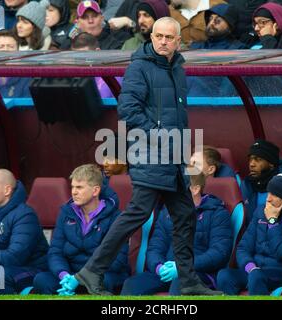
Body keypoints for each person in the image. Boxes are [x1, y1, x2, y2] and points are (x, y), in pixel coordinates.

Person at [75, 17, 222, 296]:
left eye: (169, 37)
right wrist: (157, 134)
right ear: (151, 38)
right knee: (138, 213)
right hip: (150, 153)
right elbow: (128, 109)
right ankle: (93, 270)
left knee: (184, 213)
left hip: (173, 155)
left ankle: (188, 281)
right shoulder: (140, 67)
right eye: (158, 36)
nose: (163, 41)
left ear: (179, 41)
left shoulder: (177, 68)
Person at [121, 173, 232, 295]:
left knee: (181, 284)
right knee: (132, 284)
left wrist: (183, 267)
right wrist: (159, 267)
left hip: (199, 273)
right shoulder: (166, 212)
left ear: (195, 189)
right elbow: (155, 248)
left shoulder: (217, 213)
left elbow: (219, 253)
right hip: (168, 270)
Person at [33, 164, 129, 295]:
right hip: (70, 274)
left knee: (104, 281)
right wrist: (64, 275)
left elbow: (118, 260)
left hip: (101, 274)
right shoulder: (66, 213)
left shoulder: (116, 217)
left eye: (79, 187)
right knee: (42, 280)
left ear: (95, 191)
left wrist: (80, 278)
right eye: (72, 187)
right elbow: (55, 251)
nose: (74, 192)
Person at [217, 173, 282, 295]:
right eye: (268, 193)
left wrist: (273, 221)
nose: (268, 198)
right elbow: (243, 248)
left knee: (256, 277)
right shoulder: (261, 211)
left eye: (274, 194)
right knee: (224, 276)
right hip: (255, 269)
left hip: (279, 272)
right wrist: (250, 267)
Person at [241, 139, 282, 223]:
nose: (251, 164)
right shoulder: (247, 184)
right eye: (250, 159)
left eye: (258, 159)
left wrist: (272, 222)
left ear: (271, 163)